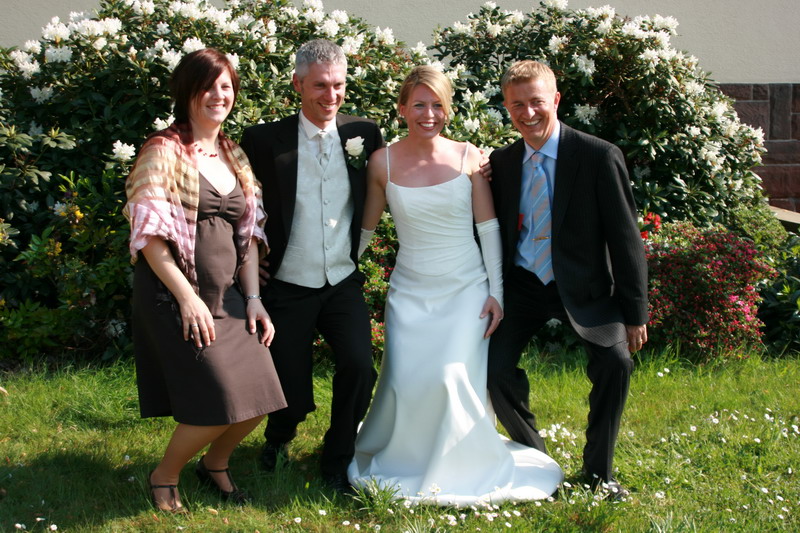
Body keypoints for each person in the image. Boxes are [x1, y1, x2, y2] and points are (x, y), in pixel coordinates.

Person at [347, 66, 563, 506]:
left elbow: (488, 229)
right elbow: (365, 230)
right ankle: (406, 456)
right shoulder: (381, 162)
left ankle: (460, 463)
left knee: (450, 379)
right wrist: (340, 270)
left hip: (467, 290)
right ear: (402, 108)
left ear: (448, 109)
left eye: (438, 105)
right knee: (407, 381)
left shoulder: (470, 158)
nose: (429, 114)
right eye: (419, 105)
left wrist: (496, 292)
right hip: (409, 292)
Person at [123, 48, 286, 513]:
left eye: (226, 86)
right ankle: (164, 474)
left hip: (229, 297)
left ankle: (215, 465)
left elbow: (248, 234)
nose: (219, 95)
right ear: (187, 92)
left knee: (262, 398)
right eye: (208, 86)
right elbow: (149, 235)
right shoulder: (163, 150)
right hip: (175, 293)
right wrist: (187, 299)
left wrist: (253, 298)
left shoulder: (234, 154)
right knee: (219, 399)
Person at [487, 60, 649, 500]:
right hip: (523, 285)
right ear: (506, 107)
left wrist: (635, 312)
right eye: (517, 104)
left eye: (537, 101)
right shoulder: (502, 162)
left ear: (556, 100)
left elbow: (626, 239)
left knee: (616, 364)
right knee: (494, 369)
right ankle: (538, 463)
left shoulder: (598, 156)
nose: (528, 113)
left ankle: (598, 473)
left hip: (585, 286)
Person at [239, 39, 383, 493]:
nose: (331, 95)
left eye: (338, 85)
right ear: (298, 84)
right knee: (289, 383)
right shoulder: (263, 140)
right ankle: (279, 436)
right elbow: (243, 209)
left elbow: (395, 177)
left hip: (341, 279)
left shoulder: (365, 133)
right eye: (320, 85)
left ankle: (338, 456)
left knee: (359, 367)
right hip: (287, 280)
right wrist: (252, 264)